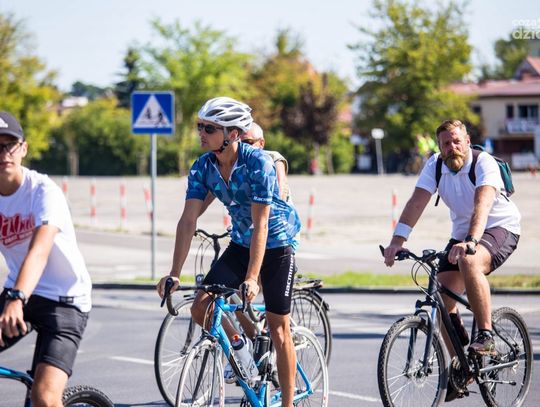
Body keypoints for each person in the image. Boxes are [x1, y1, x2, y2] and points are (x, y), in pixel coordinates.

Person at [157, 97, 301, 407]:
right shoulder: (203, 166)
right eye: (200, 126)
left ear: (233, 134)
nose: (201, 133)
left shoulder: (257, 163)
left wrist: (251, 277)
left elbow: (261, 225)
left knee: (279, 329)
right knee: (201, 307)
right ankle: (242, 349)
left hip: (276, 243)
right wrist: (174, 273)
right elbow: (188, 220)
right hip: (241, 243)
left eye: (209, 128)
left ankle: (288, 403)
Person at [383, 119, 520, 400]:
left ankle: (486, 335)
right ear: (439, 147)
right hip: (462, 235)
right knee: (441, 297)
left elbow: (482, 206)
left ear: (467, 141)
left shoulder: (483, 163)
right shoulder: (435, 166)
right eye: (446, 143)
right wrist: (398, 241)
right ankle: (463, 363)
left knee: (470, 262)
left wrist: (471, 242)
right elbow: (416, 202)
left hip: (499, 227)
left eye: (457, 141)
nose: (452, 147)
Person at [0, 112, 92, 407]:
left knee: (44, 396)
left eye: (10, 144)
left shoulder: (43, 191)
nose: (4, 153)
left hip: (65, 300)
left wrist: (16, 298)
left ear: (23, 148)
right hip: (21, 292)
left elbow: (39, 251)